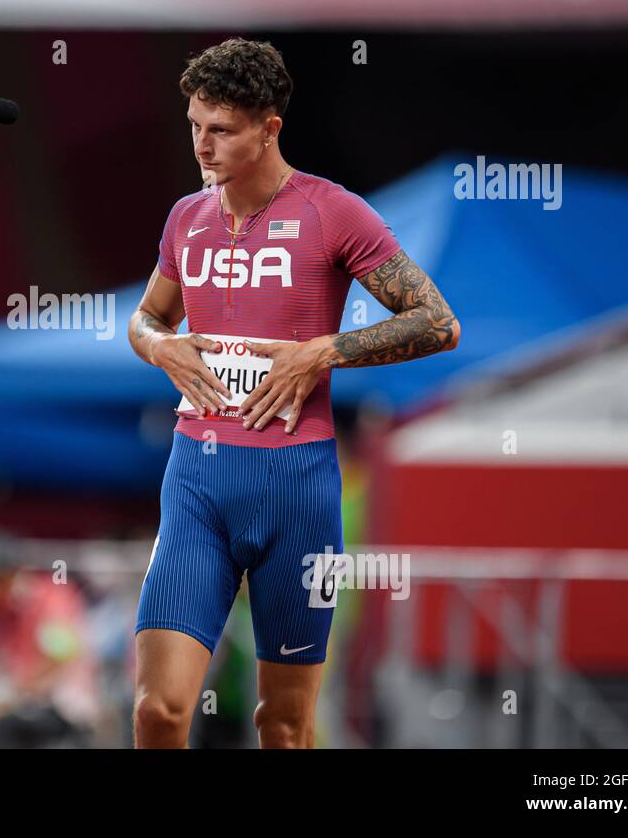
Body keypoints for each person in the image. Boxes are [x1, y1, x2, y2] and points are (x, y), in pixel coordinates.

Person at [128, 37, 461, 748]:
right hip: (197, 482)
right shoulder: (186, 217)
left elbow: (438, 322)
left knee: (282, 725)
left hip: (299, 490)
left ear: (269, 128)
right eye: (194, 125)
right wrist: (160, 345)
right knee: (159, 709)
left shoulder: (331, 212)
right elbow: (147, 317)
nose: (202, 146)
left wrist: (324, 350)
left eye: (221, 130)